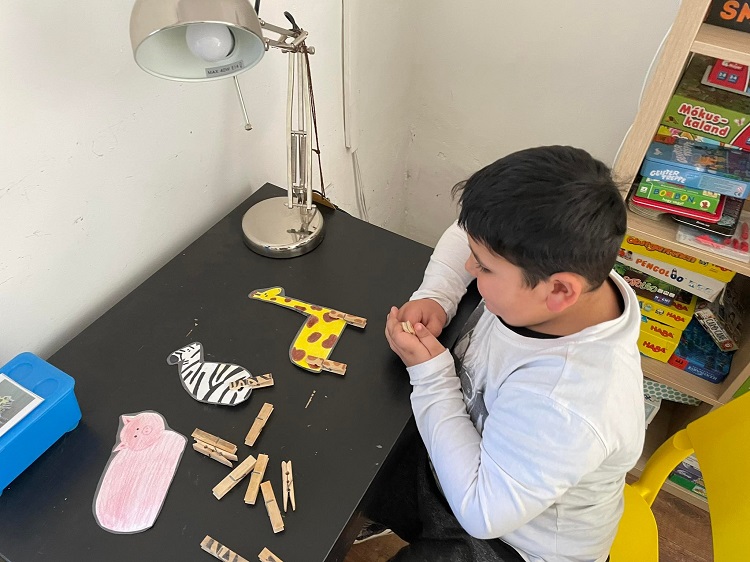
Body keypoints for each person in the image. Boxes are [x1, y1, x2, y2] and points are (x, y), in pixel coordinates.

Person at [369, 146, 645, 562]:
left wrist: (430, 374)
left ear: (559, 290)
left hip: (513, 542)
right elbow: (465, 234)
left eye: (483, 267)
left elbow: (481, 514)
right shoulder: (566, 274)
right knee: (354, 460)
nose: (470, 266)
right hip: (474, 460)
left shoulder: (568, 402)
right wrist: (438, 295)